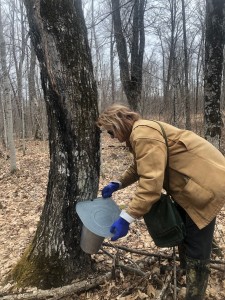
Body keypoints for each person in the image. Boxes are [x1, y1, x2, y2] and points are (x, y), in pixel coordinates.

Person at [97, 104, 225, 300]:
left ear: (119, 122)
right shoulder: (142, 131)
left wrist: (126, 218)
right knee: (187, 233)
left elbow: (151, 187)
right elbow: (140, 165)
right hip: (192, 185)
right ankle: (186, 274)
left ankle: (195, 293)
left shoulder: (143, 135)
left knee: (197, 246)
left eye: (111, 131)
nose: (111, 137)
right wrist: (119, 182)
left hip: (204, 187)